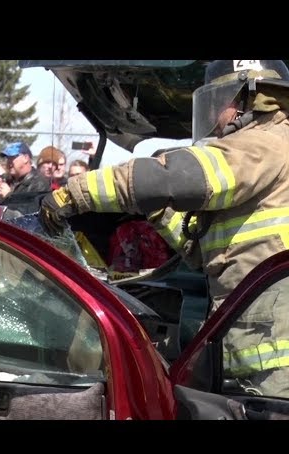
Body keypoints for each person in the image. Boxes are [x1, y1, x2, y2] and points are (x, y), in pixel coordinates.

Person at [40, 59, 289, 397]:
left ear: (250, 97)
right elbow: (202, 253)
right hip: (253, 344)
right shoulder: (261, 151)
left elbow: (173, 175)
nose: (214, 114)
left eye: (221, 100)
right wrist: (159, 210)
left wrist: (74, 194)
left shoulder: (263, 144)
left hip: (275, 358)